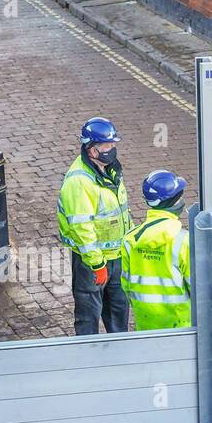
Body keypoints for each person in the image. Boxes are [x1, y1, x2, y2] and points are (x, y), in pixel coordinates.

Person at [58, 117, 133, 334]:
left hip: (117, 256)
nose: (112, 149)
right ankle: (88, 356)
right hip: (91, 262)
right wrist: (97, 264)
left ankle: (120, 354)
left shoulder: (111, 171)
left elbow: (121, 212)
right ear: (91, 149)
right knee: (88, 315)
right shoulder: (79, 182)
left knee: (118, 311)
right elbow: (82, 228)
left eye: (113, 145)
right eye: (107, 146)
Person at [121, 170, 192, 331]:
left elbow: (125, 284)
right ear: (173, 201)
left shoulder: (129, 240)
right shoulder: (183, 241)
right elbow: (198, 288)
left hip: (145, 323)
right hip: (181, 324)